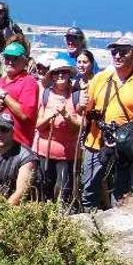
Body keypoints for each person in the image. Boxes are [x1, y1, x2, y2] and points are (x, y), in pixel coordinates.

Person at [80, 36, 133, 210]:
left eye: (123, 52)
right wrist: (82, 104)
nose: (117, 56)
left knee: (122, 194)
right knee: (88, 190)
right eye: (114, 52)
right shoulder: (101, 78)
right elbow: (87, 110)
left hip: (124, 148)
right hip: (96, 142)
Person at [33, 59, 83, 205]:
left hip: (67, 155)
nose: (60, 75)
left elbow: (81, 127)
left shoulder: (76, 96)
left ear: (69, 75)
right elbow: (39, 126)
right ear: (52, 76)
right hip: (44, 152)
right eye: (56, 72)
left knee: (63, 190)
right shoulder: (46, 95)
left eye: (64, 72)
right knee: (43, 187)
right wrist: (49, 116)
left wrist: (66, 116)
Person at [0, 42, 39, 148]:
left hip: (17, 145)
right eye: (7, 58)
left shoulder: (29, 82)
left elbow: (25, 114)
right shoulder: (1, 81)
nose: (10, 62)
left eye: (15, 58)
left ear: (24, 61)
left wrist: (4, 96)